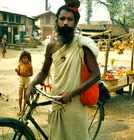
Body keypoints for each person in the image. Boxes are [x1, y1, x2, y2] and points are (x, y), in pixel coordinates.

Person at [25, 0, 101, 139]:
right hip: (57, 101)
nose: (65, 22)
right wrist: (31, 84)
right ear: (57, 21)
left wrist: (72, 93)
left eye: (70, 19)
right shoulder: (51, 46)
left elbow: (96, 75)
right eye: (62, 18)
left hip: (75, 104)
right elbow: (43, 72)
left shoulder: (82, 44)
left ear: (75, 23)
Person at [15, 50, 33, 115]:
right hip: (21, 80)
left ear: (28, 58)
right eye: (24, 58)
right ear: (21, 58)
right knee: (20, 97)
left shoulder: (29, 65)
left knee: (25, 97)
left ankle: (23, 110)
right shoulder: (19, 64)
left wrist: (27, 74)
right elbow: (19, 74)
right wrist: (17, 71)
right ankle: (20, 109)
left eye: (26, 58)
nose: (25, 59)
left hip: (27, 81)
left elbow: (31, 74)